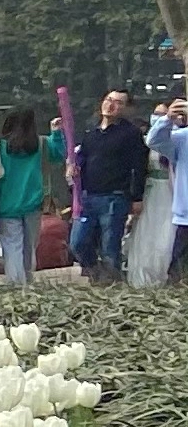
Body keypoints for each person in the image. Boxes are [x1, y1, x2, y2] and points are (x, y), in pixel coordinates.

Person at [72, 88, 149, 279]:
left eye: (118, 102)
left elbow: (139, 166)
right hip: (88, 196)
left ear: (126, 108)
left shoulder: (130, 134)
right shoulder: (91, 132)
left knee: (110, 247)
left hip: (114, 197)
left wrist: (137, 197)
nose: (111, 104)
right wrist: (73, 170)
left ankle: (111, 286)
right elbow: (82, 159)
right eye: (108, 99)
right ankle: (94, 271)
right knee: (77, 243)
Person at [0, 108, 50, 285]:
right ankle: (27, 279)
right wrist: (57, 133)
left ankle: (16, 283)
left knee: (12, 247)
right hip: (33, 204)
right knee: (29, 247)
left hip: (6, 204)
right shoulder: (40, 144)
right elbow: (59, 154)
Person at [138, 98, 187, 288]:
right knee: (178, 273)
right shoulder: (182, 138)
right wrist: (168, 118)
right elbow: (154, 140)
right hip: (185, 218)